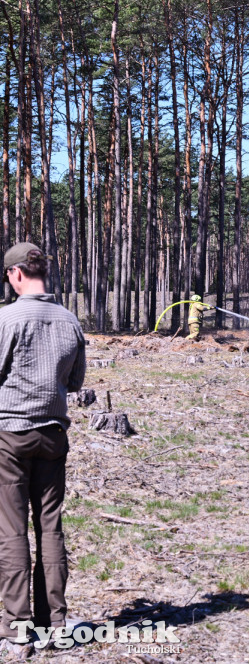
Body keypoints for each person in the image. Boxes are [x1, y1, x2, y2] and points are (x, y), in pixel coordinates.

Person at [0, 243, 86, 652]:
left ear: (16, 274)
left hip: (9, 437)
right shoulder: (69, 320)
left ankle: (18, 631)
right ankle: (54, 623)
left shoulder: (6, 319)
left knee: (12, 531)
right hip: (53, 436)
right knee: (49, 528)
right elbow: (75, 382)